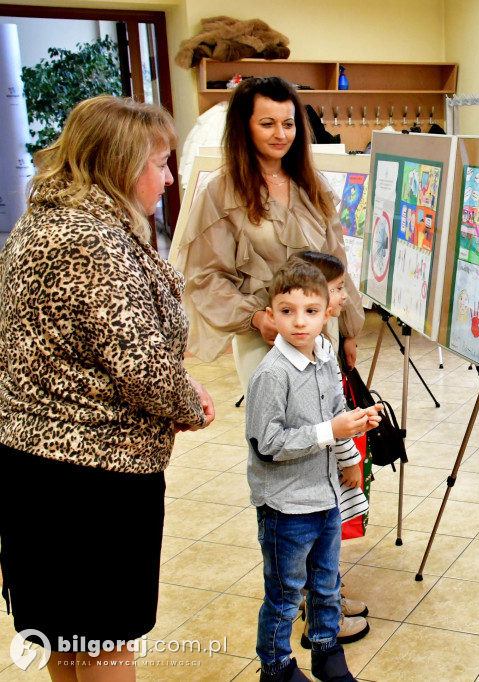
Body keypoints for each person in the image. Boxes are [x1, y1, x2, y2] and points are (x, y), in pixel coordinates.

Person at [0, 95, 215, 681]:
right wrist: (189, 402)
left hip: (37, 464)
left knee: (65, 636)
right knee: (100, 640)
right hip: (92, 477)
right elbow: (139, 364)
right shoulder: (92, 240)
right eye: (161, 162)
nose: (169, 178)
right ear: (122, 165)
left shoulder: (45, 220)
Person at [175, 76, 364, 389]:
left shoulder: (311, 186)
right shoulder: (221, 193)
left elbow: (336, 263)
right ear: (244, 127)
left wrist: (349, 330)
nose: (281, 134)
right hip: (264, 336)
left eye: (288, 124)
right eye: (267, 124)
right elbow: (206, 277)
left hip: (320, 331)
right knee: (275, 429)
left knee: (324, 425)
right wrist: (255, 318)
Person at [246, 260, 382, 682]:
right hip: (286, 508)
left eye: (310, 311)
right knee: (286, 595)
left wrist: (351, 450)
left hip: (325, 499)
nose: (299, 322)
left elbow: (336, 412)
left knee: (325, 584)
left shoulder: (324, 356)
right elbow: (267, 445)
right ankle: (276, 668)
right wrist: (330, 431)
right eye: (287, 311)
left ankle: (327, 652)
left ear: (327, 313)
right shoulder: (271, 374)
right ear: (271, 315)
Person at [293, 251, 372, 647]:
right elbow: (327, 420)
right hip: (313, 476)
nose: (344, 297)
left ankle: (330, 600)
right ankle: (324, 624)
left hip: (325, 469)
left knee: (327, 543)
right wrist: (350, 460)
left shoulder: (322, 348)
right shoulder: (304, 359)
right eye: (339, 289)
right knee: (318, 547)